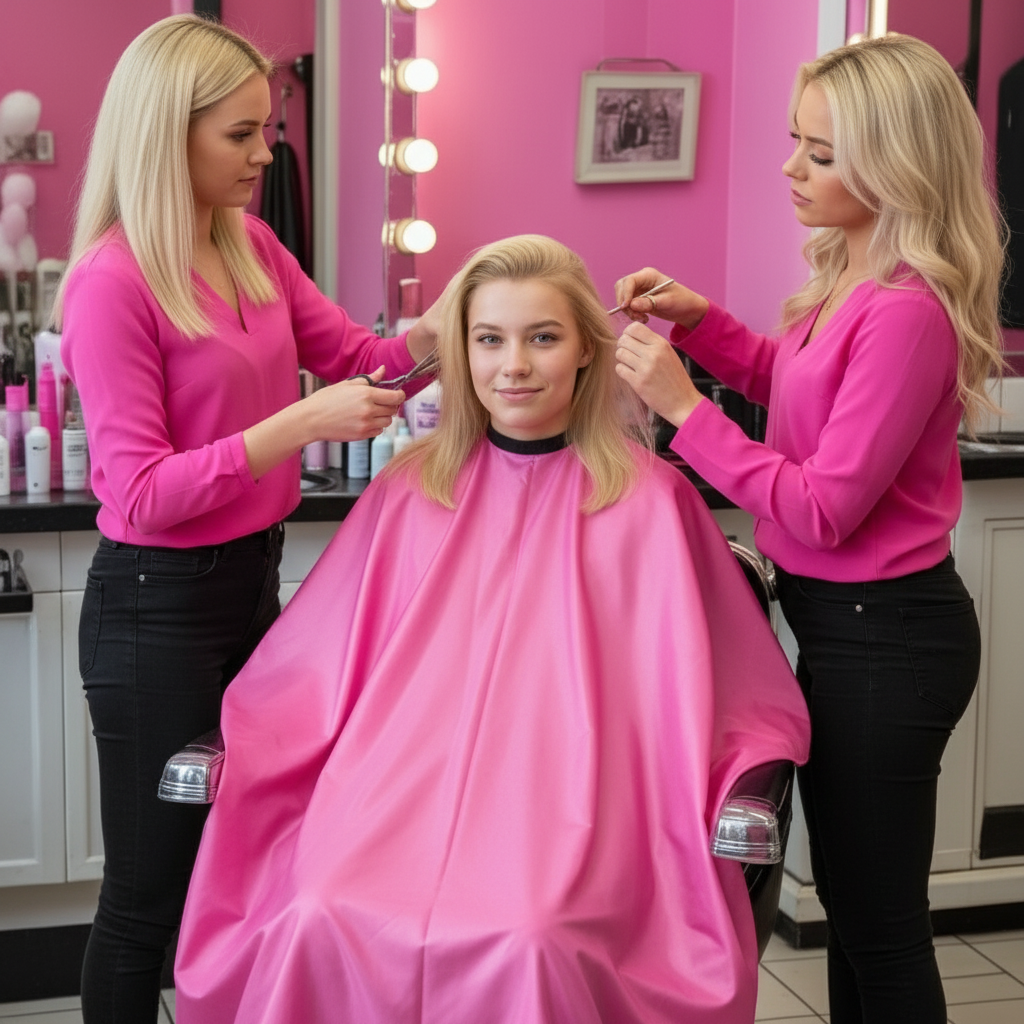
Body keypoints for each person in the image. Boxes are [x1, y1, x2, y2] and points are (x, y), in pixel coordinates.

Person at [172, 235, 810, 1023]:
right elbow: (317, 664)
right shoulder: (410, 491)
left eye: (542, 338)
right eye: (489, 339)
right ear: (461, 352)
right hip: (394, 791)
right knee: (319, 907)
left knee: (532, 937)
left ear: (586, 349)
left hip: (581, 803)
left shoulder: (650, 503)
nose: (514, 366)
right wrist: (254, 742)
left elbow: (726, 694)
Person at [52, 14, 440, 1023]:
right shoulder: (110, 281)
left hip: (249, 591)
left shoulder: (252, 245)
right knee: (147, 901)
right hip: (156, 614)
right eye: (240, 133)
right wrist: (297, 425)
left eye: (265, 129)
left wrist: (463, 319)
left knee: (239, 873)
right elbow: (140, 492)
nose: (266, 153)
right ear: (166, 133)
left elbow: (365, 358)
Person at [613, 34, 1004, 1024]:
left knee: (879, 928)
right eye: (796, 141)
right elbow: (789, 389)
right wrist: (700, 324)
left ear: (894, 165)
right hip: (844, 632)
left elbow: (824, 507)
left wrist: (681, 411)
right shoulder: (849, 283)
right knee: (854, 913)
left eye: (820, 154)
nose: (791, 167)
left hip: (889, 639)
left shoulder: (906, 311)